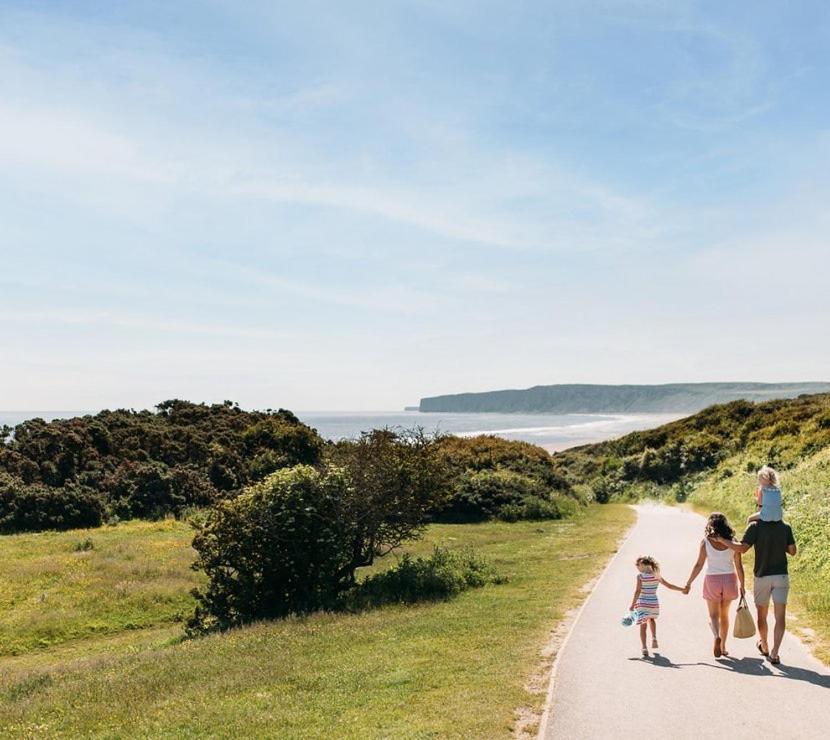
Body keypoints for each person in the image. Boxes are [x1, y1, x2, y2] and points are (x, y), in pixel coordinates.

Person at [717, 513, 797, 665]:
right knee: (780, 617)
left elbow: (741, 549)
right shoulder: (785, 527)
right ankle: (775, 653)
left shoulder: (755, 527)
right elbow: (792, 551)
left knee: (762, 615)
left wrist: (721, 539)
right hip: (781, 577)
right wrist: (779, 542)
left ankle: (765, 645)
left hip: (762, 578)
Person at [684, 513, 745, 657]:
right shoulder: (733, 542)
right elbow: (739, 566)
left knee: (713, 615)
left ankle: (716, 635)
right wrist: (742, 585)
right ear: (726, 525)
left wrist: (689, 582)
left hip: (712, 580)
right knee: (724, 615)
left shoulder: (705, 542)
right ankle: (723, 646)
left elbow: (699, 564)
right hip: (730, 580)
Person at [628, 555, 686, 657]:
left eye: (638, 565)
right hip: (653, 602)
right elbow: (669, 586)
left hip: (642, 603)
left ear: (643, 565)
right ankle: (654, 637)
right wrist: (682, 589)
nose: (637, 567)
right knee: (652, 620)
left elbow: (637, 591)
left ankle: (644, 647)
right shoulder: (656, 575)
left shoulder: (640, 576)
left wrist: (632, 605)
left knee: (643, 625)